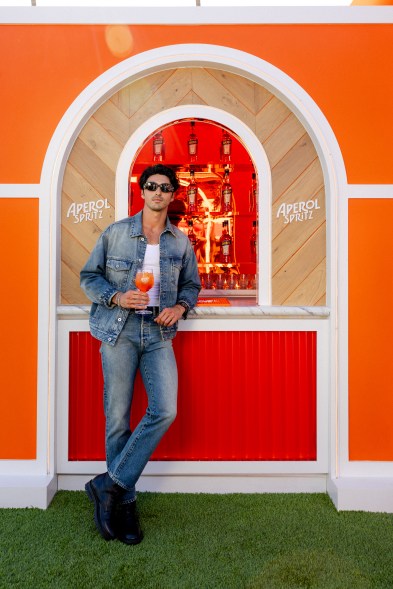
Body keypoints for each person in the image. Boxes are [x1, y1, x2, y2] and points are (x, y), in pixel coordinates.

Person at [80, 164, 201, 545]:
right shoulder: (116, 233)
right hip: (120, 330)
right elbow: (89, 276)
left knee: (165, 409)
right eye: (151, 186)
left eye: (165, 188)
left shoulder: (180, 242)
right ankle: (124, 502)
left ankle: (109, 485)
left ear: (172, 194)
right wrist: (116, 296)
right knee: (117, 418)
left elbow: (192, 286)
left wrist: (180, 307)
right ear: (142, 191)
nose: (158, 193)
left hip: (159, 334)